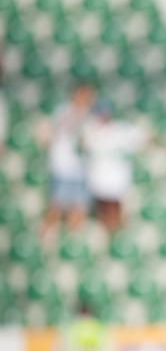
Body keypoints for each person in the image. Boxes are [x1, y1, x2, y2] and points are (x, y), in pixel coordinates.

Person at [39, 82, 96, 237]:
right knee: (56, 206)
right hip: (63, 167)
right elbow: (52, 133)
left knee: (79, 208)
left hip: (81, 169)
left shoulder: (91, 116)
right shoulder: (63, 111)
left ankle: (74, 242)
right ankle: (47, 237)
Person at [82, 101, 147, 233]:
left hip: (118, 182)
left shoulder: (122, 130)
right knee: (105, 208)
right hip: (99, 182)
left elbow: (144, 138)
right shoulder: (91, 130)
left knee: (116, 207)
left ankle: (115, 232)